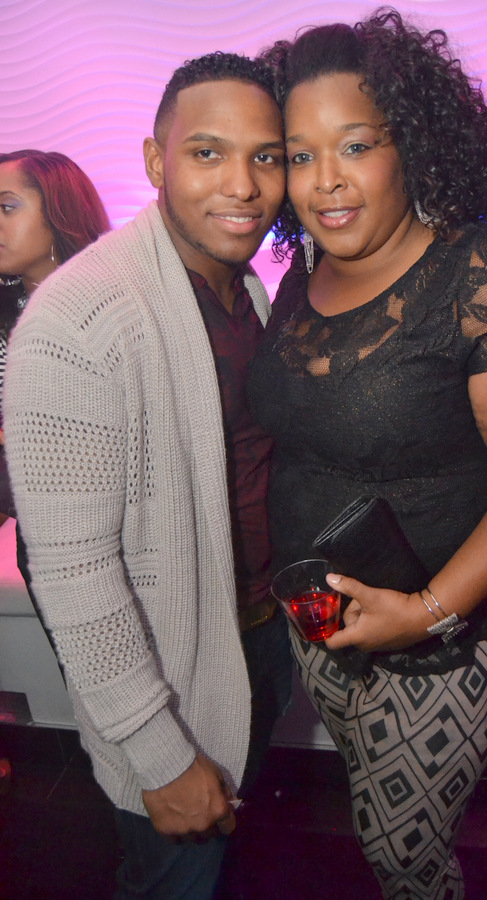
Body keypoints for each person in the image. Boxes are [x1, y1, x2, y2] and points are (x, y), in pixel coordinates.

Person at [247, 10, 487, 899]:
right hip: (322, 617)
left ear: (411, 144)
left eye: (355, 145)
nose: (325, 180)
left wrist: (428, 611)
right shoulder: (302, 276)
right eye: (298, 154)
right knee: (370, 797)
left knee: (402, 849)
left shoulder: (485, 275)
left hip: (450, 631)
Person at [4, 53, 289, 900]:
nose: (242, 185)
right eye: (207, 153)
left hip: (256, 636)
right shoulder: (81, 315)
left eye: (266, 156)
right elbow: (73, 572)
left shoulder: (241, 287)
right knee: (176, 879)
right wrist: (159, 754)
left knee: (220, 859)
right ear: (157, 161)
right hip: (168, 669)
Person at [0, 149, 111, 519]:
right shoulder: (7, 312)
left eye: (7, 207)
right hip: (32, 522)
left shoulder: (110, 311)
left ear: (59, 212)